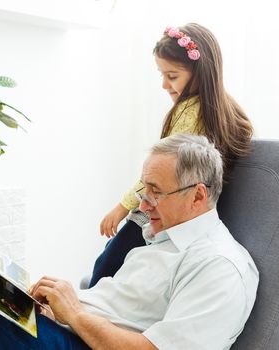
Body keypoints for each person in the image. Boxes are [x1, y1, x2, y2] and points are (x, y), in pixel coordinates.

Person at [0, 134, 258, 350]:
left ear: (198, 195)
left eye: (154, 191)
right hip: (71, 330)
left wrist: (76, 314)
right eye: (142, 189)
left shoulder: (219, 266)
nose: (142, 203)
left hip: (80, 342)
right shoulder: (163, 242)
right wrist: (58, 306)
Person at [90, 22, 254, 287]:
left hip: (154, 211)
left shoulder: (190, 111)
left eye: (173, 76)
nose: (165, 84)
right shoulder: (227, 112)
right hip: (182, 216)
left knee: (105, 270)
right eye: (161, 74)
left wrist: (121, 208)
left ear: (201, 72)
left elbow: (158, 172)